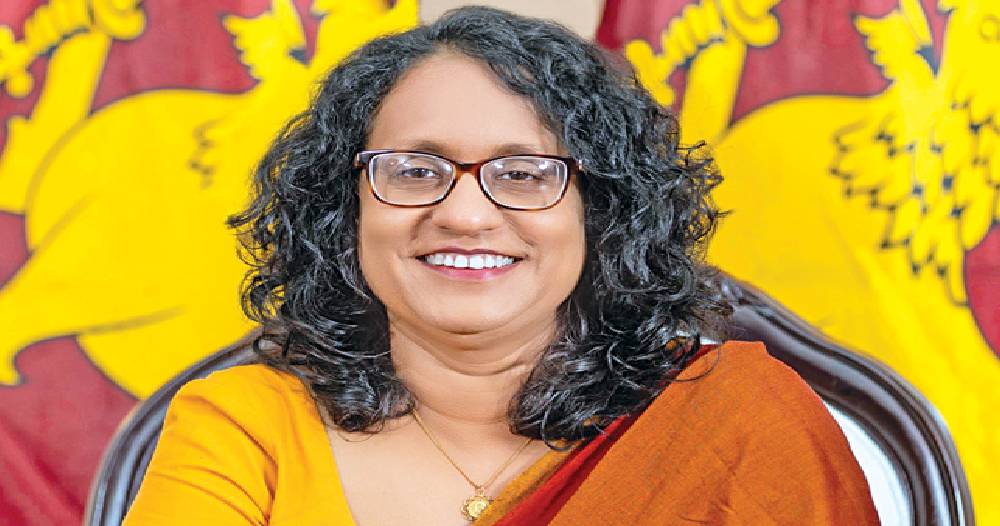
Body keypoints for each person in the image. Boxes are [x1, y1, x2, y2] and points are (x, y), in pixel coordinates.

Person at [122, 6, 879, 525]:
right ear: (344, 209)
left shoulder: (732, 426)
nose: (464, 214)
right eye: (414, 170)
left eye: (522, 173)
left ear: (600, 212)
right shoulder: (244, 426)